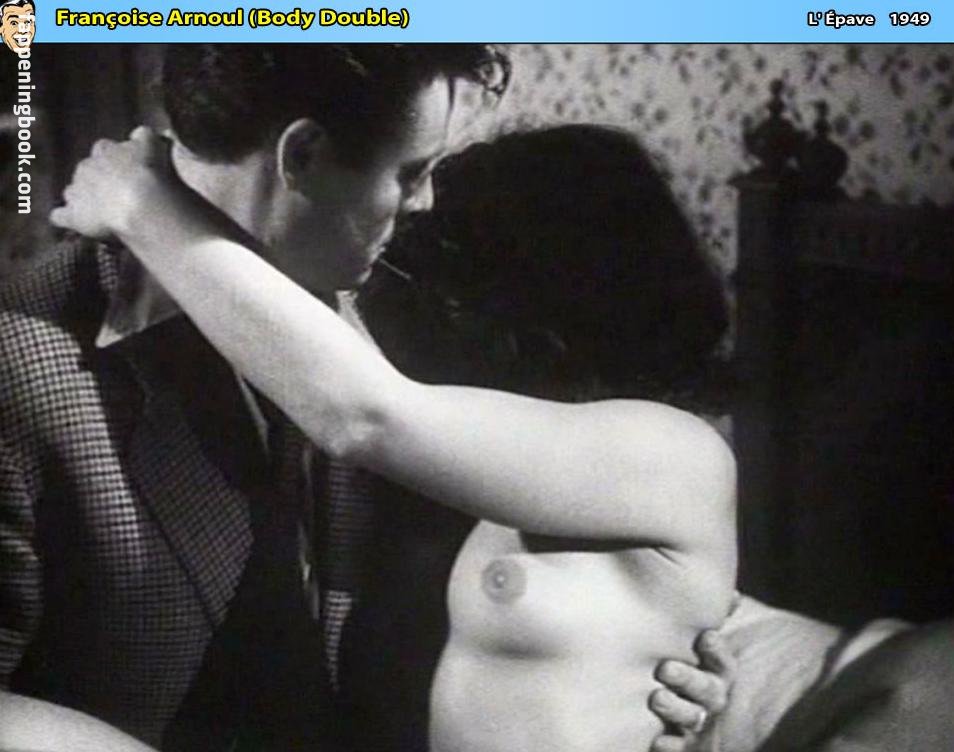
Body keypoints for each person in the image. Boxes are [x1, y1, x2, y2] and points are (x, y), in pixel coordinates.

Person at [0, 46, 727, 752]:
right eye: (412, 172)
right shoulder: (26, 356)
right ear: (303, 154)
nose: (425, 203)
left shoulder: (388, 346)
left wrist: (641, 674)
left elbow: (375, 422)